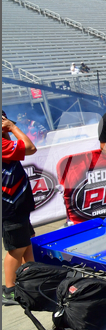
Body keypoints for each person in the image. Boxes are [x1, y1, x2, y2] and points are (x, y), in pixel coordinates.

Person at [2, 111, 37, 305]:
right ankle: (9, 290)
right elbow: (30, 148)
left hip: (17, 205)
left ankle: (31, 280)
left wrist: (8, 129)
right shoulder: (2, 144)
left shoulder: (5, 142)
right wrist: (13, 128)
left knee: (26, 243)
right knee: (17, 248)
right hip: (10, 207)